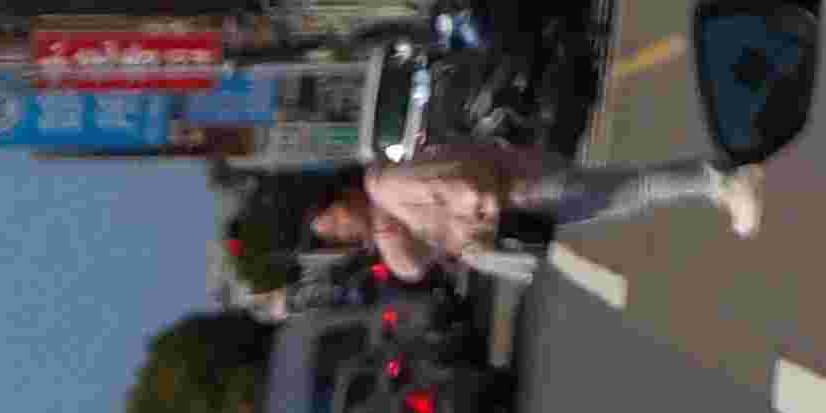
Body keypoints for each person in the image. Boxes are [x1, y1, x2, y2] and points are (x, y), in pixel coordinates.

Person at [307, 137, 763, 286]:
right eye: (335, 237)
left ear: (344, 198)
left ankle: (721, 181)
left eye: (336, 224)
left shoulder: (386, 186)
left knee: (629, 191)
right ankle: (717, 181)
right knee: (627, 193)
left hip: (521, 194)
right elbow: (413, 266)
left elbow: (457, 183)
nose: (343, 234)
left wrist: (483, 218)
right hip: (520, 203)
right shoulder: (388, 214)